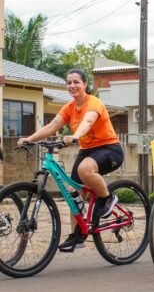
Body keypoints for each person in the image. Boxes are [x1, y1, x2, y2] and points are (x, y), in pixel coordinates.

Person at [18, 69, 124, 250]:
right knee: (72, 193)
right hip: (87, 151)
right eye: (69, 83)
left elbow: (88, 121)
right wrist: (30, 138)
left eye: (76, 82)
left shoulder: (94, 103)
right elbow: (52, 125)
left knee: (85, 170)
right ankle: (78, 236)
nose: (72, 86)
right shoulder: (69, 108)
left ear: (84, 84)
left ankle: (107, 198)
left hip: (109, 149)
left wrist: (75, 136)